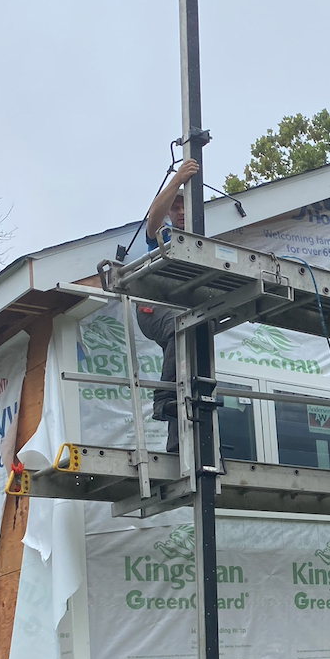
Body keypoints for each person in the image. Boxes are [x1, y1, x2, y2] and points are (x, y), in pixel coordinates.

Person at [136, 159, 199, 452]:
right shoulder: (164, 235)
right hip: (153, 309)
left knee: (190, 364)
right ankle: (163, 401)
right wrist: (177, 180)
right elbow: (152, 220)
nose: (181, 212)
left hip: (181, 312)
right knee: (181, 324)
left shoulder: (199, 243)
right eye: (176, 207)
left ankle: (178, 444)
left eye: (185, 206)